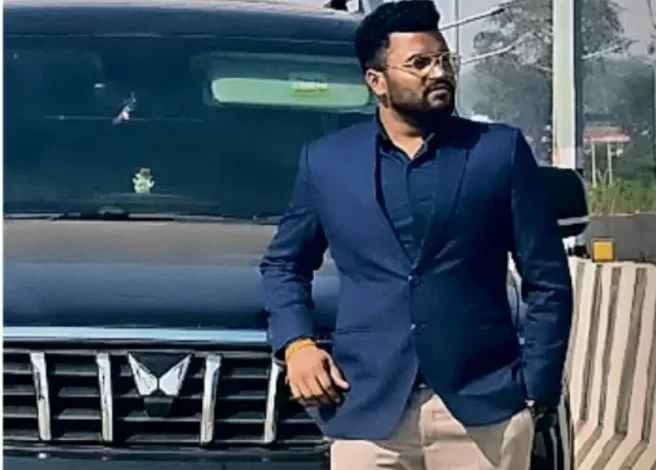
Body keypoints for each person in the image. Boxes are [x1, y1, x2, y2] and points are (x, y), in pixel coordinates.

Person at [259, 1, 573, 469]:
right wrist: (297, 344)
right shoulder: (327, 163)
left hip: (484, 410)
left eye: (444, 59)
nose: (438, 72)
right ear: (377, 81)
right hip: (367, 411)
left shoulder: (497, 152)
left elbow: (547, 278)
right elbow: (284, 264)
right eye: (420, 63)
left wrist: (536, 388)